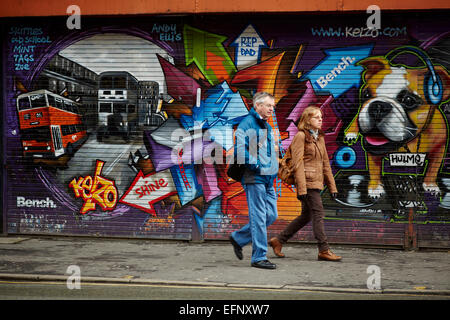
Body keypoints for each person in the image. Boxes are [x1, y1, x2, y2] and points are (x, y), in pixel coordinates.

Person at [269, 105, 342, 261]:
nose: (320, 120)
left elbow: (325, 164)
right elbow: (297, 164)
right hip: (307, 183)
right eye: (317, 117)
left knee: (306, 216)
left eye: (321, 117)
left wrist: (332, 186)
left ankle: (279, 240)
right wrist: (301, 188)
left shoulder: (319, 137)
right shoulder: (301, 136)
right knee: (318, 214)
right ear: (307, 119)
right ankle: (323, 249)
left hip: (317, 182)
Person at [229, 92, 279, 269]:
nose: (271, 109)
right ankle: (259, 257)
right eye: (268, 106)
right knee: (258, 217)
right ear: (257, 105)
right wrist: (257, 166)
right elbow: (241, 153)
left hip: (268, 178)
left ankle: (239, 237)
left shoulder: (266, 126)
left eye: (273, 106)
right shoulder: (246, 124)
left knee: (271, 214)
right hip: (255, 177)